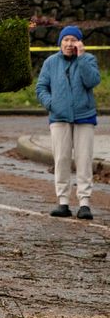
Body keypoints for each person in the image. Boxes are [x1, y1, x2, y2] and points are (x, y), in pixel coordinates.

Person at [36, 25, 101, 220]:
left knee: (84, 160)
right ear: (60, 42)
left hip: (84, 117)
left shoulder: (88, 60)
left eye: (73, 40)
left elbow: (92, 81)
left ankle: (84, 203)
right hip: (59, 118)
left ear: (79, 43)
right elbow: (41, 87)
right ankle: (63, 202)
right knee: (62, 159)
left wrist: (81, 58)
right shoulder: (50, 62)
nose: (69, 43)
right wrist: (51, 103)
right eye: (66, 40)